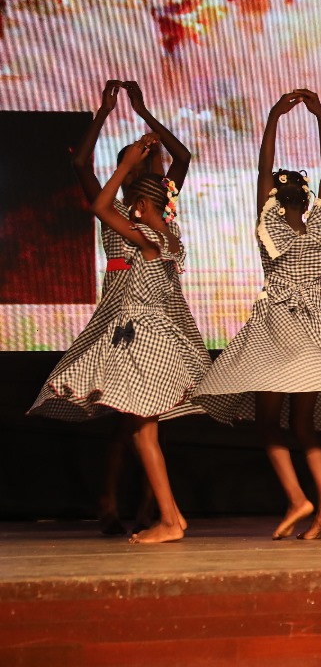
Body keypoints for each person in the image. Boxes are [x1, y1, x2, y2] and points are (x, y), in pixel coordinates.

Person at [192, 90, 321, 540]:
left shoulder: (270, 223)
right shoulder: (319, 224)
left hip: (279, 328)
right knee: (303, 424)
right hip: (314, 327)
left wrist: (274, 118)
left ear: (276, 199)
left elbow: (264, 171)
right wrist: (320, 118)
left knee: (267, 423)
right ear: (306, 197)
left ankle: (300, 500)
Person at [29, 134, 209, 544]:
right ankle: (174, 515)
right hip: (159, 337)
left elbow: (99, 206)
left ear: (140, 206)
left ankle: (168, 520)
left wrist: (126, 166)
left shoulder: (143, 238)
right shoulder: (171, 238)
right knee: (142, 433)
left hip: (141, 338)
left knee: (142, 435)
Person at [61, 81, 199, 535]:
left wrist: (143, 111)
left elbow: (182, 158)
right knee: (128, 422)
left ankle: (154, 508)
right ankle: (115, 500)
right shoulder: (128, 212)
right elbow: (81, 164)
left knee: (146, 418)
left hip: (153, 308)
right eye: (145, 165)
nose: (154, 169)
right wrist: (104, 113)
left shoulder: (158, 213)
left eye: (152, 165)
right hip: (121, 304)